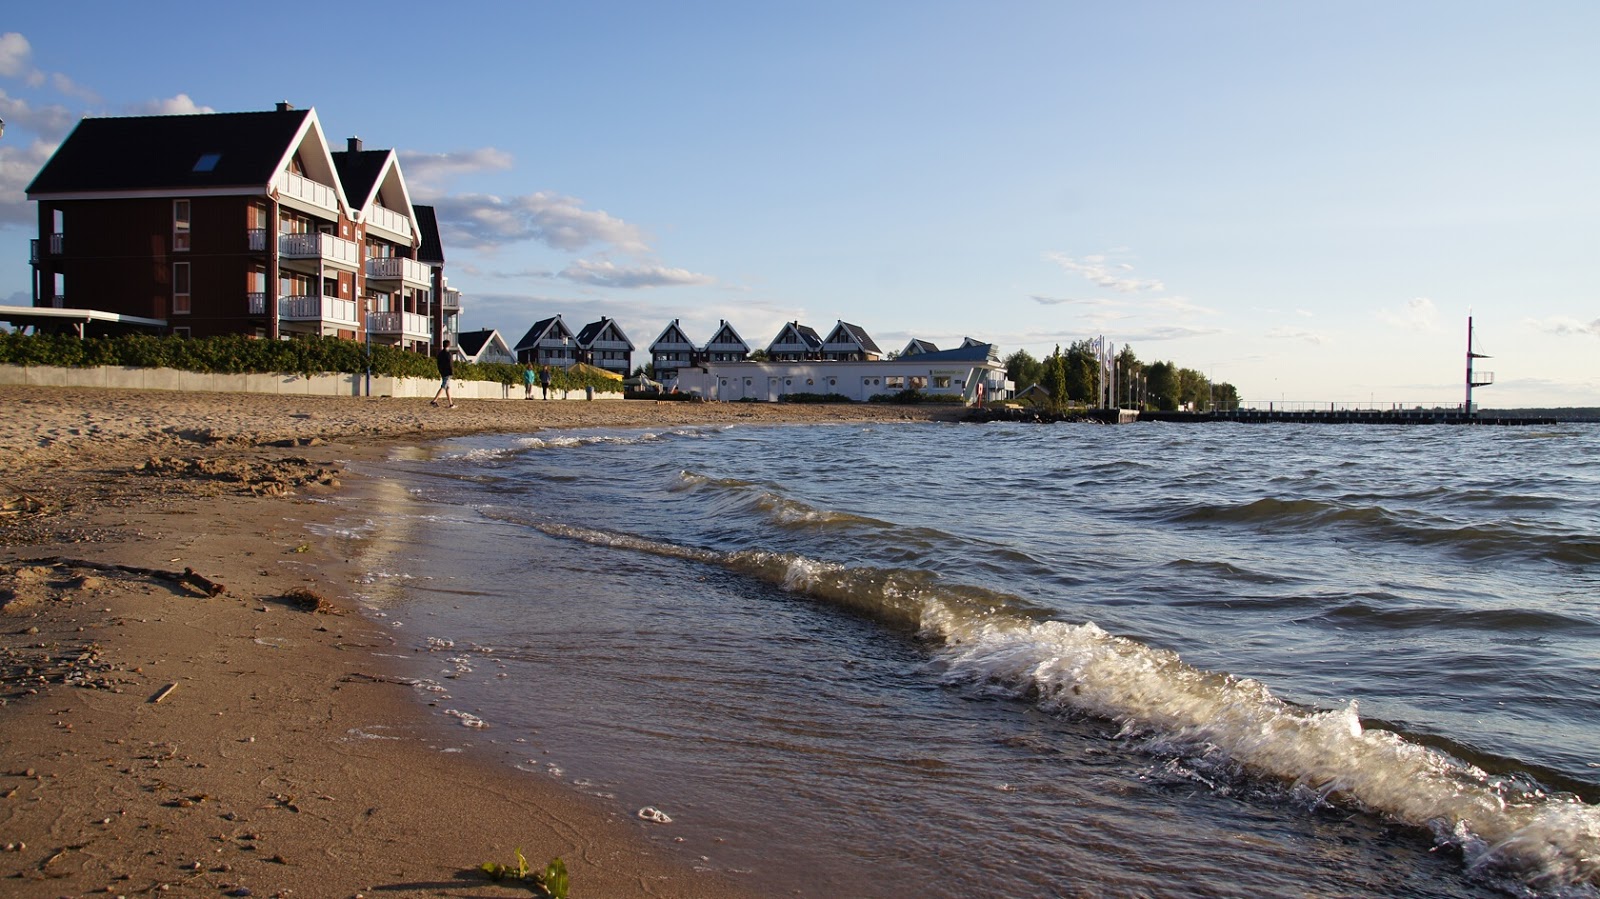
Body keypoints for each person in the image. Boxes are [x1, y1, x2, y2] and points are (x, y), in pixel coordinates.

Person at [430, 340, 456, 408]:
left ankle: (451, 403)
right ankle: (434, 401)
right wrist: (452, 372)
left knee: (447, 387)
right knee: (444, 387)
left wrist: (440, 371)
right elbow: (450, 364)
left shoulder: (440, 354)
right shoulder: (448, 354)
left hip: (443, 372)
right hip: (447, 373)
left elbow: (438, 364)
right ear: (449, 345)